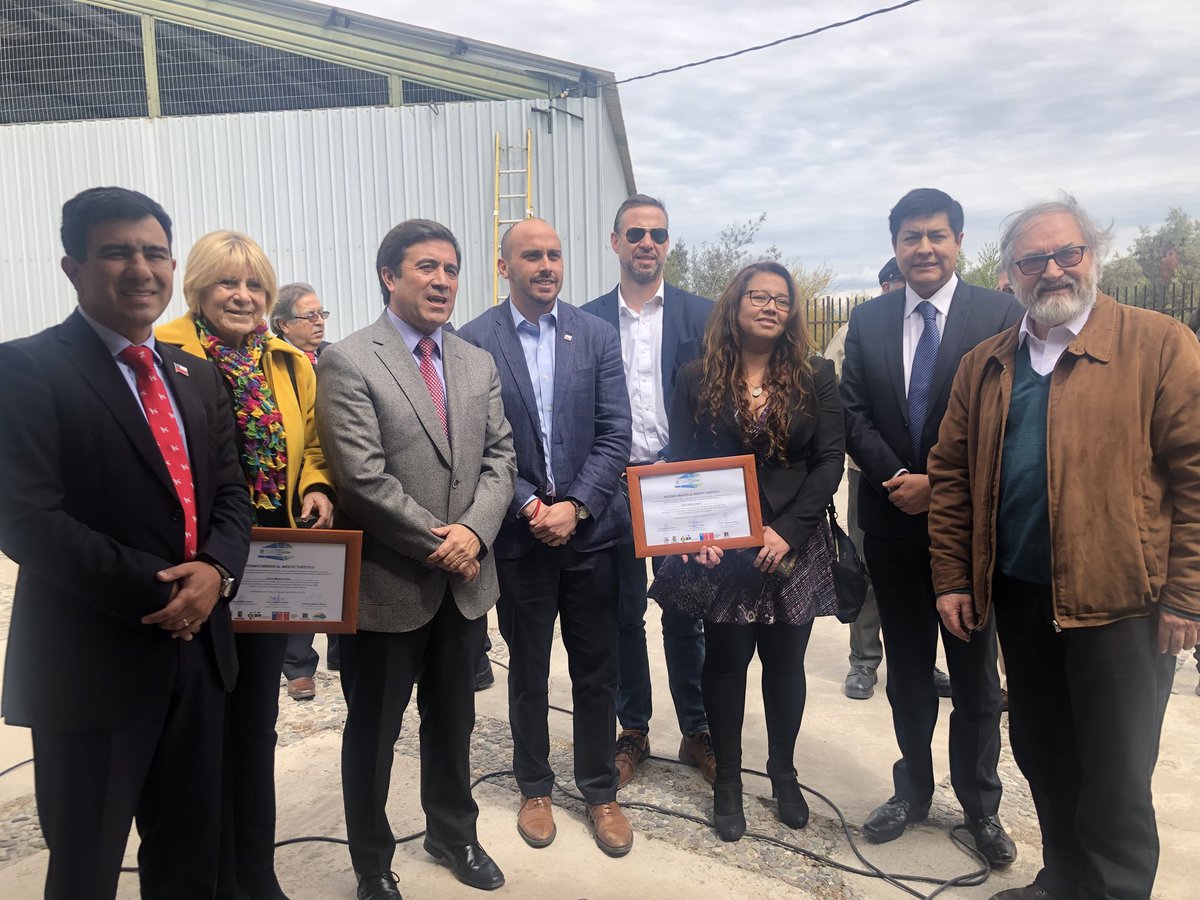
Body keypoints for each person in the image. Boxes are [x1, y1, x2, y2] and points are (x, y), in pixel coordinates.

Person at [928, 197, 1200, 900]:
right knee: (1044, 754)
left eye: (1066, 253)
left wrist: (1187, 595)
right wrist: (953, 579)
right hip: (1021, 597)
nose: (1051, 270)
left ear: (1091, 256)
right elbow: (951, 478)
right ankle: (1061, 882)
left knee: (1116, 774)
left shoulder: (1159, 345)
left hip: (1123, 604)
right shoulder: (986, 364)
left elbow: (1196, 474)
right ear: (1011, 273)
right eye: (1032, 260)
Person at [0, 186, 252, 898]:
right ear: (73, 267)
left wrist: (217, 571)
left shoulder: (195, 375)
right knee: (85, 867)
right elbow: (26, 518)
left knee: (190, 860)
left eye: (154, 253)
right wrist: (167, 591)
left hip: (200, 662)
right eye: (117, 252)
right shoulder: (27, 369)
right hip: (92, 666)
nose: (141, 269)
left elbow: (231, 494)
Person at [317, 219, 515, 899]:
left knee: (454, 721)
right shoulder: (349, 360)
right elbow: (361, 480)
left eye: (451, 269)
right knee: (374, 733)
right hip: (388, 586)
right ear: (389, 276)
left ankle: (453, 833)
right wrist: (443, 544)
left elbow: (501, 459)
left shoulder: (475, 362)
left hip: (465, 586)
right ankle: (371, 864)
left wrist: (475, 535)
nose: (441, 281)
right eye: (426, 267)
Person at [840, 188, 1021, 862]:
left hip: (970, 534)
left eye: (936, 235)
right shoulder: (868, 321)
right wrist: (898, 477)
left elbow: (1011, 419)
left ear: (959, 242)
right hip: (891, 525)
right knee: (909, 674)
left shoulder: (1001, 314)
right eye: (911, 237)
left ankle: (980, 808)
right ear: (895, 246)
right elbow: (852, 413)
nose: (924, 248)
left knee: (975, 680)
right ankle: (912, 790)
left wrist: (937, 485)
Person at [157, 232, 335, 900]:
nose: (242, 296)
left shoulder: (289, 362)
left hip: (270, 563)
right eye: (227, 282)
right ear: (196, 287)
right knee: (198, 731)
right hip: (197, 565)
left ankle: (256, 874)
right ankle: (205, 877)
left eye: (255, 284)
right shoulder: (165, 352)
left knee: (255, 725)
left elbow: (314, 444)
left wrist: (315, 486)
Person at [648, 261, 844, 842]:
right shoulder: (695, 375)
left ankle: (784, 774)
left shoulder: (816, 374)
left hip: (793, 545)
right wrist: (697, 535)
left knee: (785, 666)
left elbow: (828, 460)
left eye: (781, 300)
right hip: (725, 549)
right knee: (725, 664)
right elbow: (684, 462)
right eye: (757, 296)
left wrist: (789, 530)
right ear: (734, 305)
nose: (769, 307)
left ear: (791, 312)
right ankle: (728, 782)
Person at [458, 218, 635, 858]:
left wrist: (578, 506)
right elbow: (479, 444)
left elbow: (616, 432)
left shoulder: (595, 335)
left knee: (596, 671)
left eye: (554, 255)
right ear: (503, 266)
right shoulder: (474, 341)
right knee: (528, 671)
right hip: (520, 538)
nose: (546, 265)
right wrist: (532, 504)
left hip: (592, 538)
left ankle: (599, 791)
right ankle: (534, 786)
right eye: (531, 255)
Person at [579, 194, 716, 786]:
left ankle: (697, 729)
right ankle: (632, 727)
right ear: (615, 241)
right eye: (635, 233)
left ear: (668, 244)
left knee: (686, 612)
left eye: (657, 234)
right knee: (622, 615)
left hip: (676, 481)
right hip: (611, 483)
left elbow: (719, 406)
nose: (647, 243)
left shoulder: (703, 316)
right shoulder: (584, 321)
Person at [828, 257, 953, 702]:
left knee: (934, 570)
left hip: (940, 482)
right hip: (871, 475)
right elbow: (840, 404)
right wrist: (889, 468)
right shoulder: (856, 330)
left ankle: (922, 659)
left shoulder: (948, 325)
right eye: (897, 281)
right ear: (885, 286)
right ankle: (863, 660)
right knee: (867, 568)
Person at [269, 282, 338, 700]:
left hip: (341, 475)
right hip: (298, 482)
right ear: (282, 324)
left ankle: (342, 653)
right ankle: (297, 664)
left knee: (343, 568)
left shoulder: (333, 357)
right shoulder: (275, 365)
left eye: (321, 314)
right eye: (308, 316)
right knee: (303, 570)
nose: (318, 322)